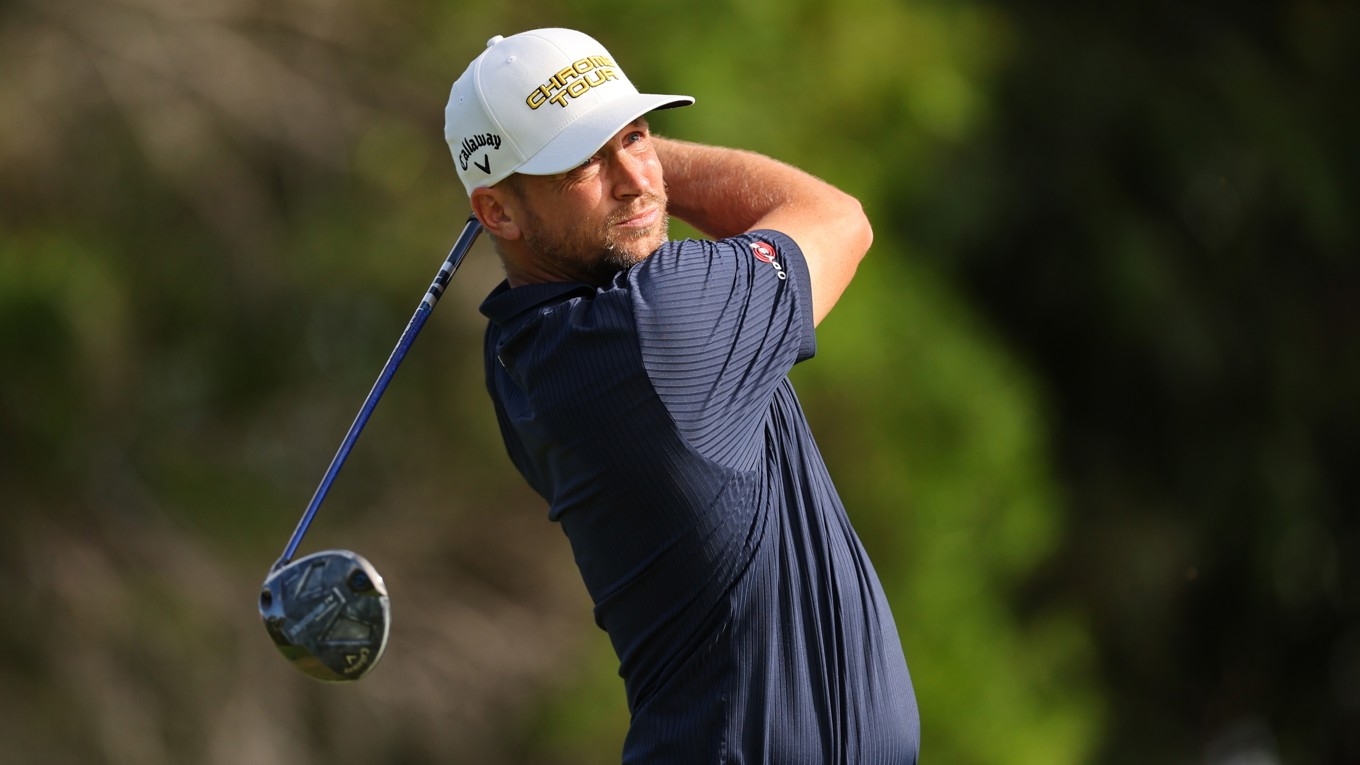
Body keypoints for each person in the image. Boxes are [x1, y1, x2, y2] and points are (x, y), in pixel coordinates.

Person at [444, 28, 919, 763]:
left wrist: (596, 146)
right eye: (583, 163)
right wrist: (646, 149)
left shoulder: (519, 356)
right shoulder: (657, 325)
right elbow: (836, 218)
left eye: (636, 137)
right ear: (497, 213)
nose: (636, 177)